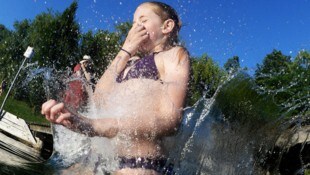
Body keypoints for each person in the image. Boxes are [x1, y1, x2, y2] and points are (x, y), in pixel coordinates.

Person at [41, 1, 190, 174]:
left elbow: (170, 121)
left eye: (142, 21)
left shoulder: (174, 55)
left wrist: (100, 126)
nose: (134, 28)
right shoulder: (129, 62)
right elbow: (100, 98)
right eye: (133, 23)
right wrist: (126, 49)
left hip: (139, 164)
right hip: (100, 162)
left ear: (167, 26)